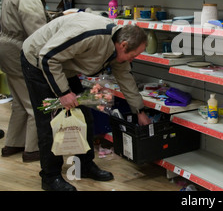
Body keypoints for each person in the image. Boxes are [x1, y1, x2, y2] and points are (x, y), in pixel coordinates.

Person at [21, 12, 151, 191]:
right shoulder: (91, 35)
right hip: (38, 61)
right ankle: (50, 177)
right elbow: (47, 58)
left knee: (85, 116)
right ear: (124, 45)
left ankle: (84, 165)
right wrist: (64, 93)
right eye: (134, 55)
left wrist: (140, 111)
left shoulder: (117, 49)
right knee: (50, 123)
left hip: (62, 66)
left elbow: (126, 79)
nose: (133, 59)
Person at [0, 0, 57, 162]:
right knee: (34, 104)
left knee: (18, 102)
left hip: (7, 50)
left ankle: (13, 143)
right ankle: (33, 149)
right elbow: (38, 35)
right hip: (19, 52)